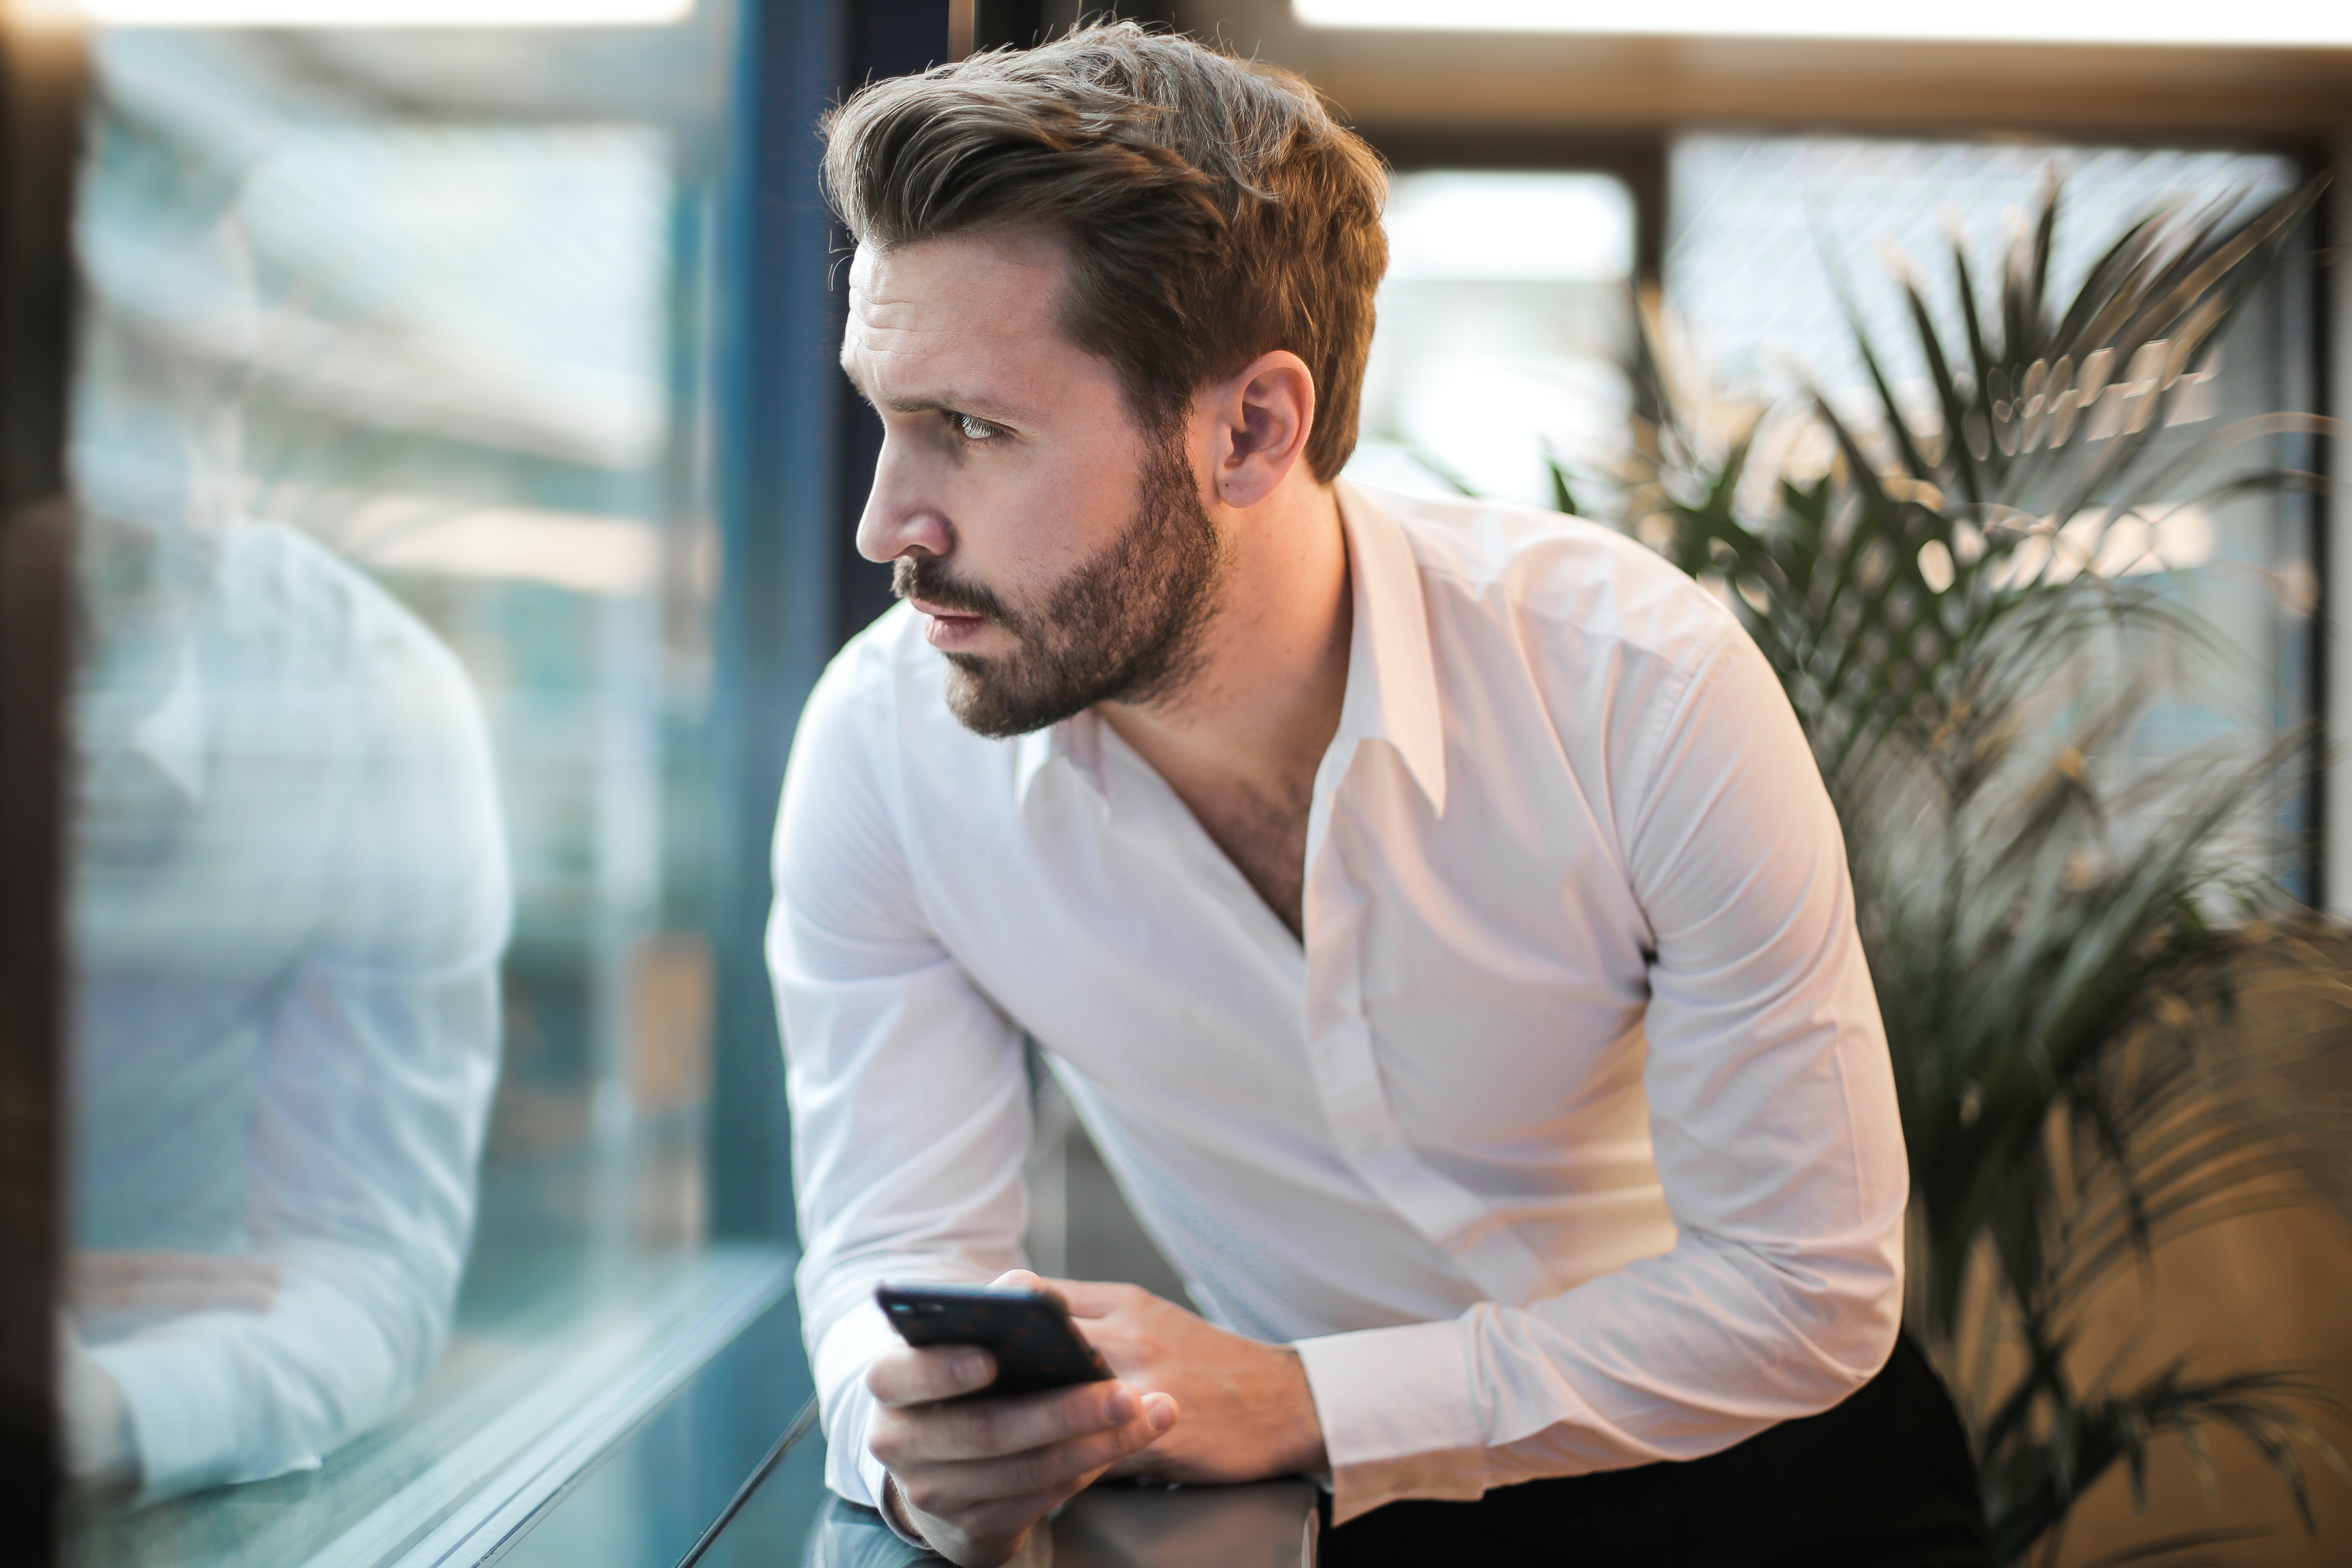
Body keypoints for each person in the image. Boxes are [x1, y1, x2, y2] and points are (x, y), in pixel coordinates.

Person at [771, 23, 1988, 1568]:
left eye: (976, 430)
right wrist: (919, 1447)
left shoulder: (1635, 685)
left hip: (1778, 1478)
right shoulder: (883, 754)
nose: (889, 522)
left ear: (1250, 430)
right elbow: (887, 1254)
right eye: (889, 412)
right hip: (1341, 1508)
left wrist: (1305, 1397)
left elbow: (1806, 1292)